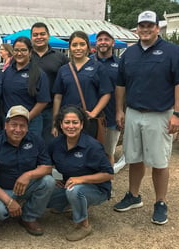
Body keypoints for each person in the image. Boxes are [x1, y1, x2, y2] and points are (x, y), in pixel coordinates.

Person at [113, 10, 179, 225]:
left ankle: (160, 202)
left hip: (160, 114)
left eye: (149, 25)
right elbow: (120, 84)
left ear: (157, 28)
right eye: (142, 26)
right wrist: (120, 110)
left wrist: (177, 114)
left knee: (159, 162)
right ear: (137, 28)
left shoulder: (172, 51)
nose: (145, 29)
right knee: (134, 158)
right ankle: (134, 195)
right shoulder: (129, 54)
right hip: (133, 112)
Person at [0, 105, 55, 236]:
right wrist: (9, 201)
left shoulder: (36, 140)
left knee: (48, 181)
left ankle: (29, 217)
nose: (18, 129)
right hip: (2, 189)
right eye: (14, 124)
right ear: (6, 125)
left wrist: (28, 175)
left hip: (27, 186)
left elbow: (47, 167)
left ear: (27, 127)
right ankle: (7, 209)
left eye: (22, 126)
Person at [47, 105, 114, 241]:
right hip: (69, 184)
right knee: (44, 194)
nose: (71, 126)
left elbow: (109, 174)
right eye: (67, 122)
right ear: (61, 124)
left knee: (74, 190)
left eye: (75, 122)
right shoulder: (55, 144)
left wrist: (81, 179)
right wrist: (50, 178)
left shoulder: (92, 146)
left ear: (82, 124)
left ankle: (83, 225)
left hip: (97, 189)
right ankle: (71, 205)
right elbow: (45, 164)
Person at [52, 31, 112, 139]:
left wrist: (94, 113)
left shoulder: (98, 67)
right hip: (67, 121)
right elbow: (58, 96)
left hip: (88, 121)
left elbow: (106, 93)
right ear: (70, 47)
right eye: (74, 45)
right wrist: (55, 122)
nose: (78, 48)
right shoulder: (63, 70)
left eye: (82, 44)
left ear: (88, 47)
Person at [2, 37, 51, 137]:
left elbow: (43, 101)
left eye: (23, 50)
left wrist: (26, 118)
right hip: (10, 122)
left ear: (30, 52)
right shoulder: (7, 71)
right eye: (16, 50)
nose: (19, 54)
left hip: (31, 122)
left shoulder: (39, 74)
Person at [30, 22, 69, 144]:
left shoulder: (60, 57)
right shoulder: (25, 55)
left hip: (52, 109)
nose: (39, 37)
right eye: (35, 35)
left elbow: (67, 82)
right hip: (29, 109)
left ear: (48, 36)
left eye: (42, 34)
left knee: (50, 145)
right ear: (31, 37)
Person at [93, 30, 125, 172]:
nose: (103, 42)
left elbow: (124, 89)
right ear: (96, 43)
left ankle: (107, 185)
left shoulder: (120, 64)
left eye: (106, 39)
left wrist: (120, 111)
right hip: (91, 116)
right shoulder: (88, 62)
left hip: (112, 115)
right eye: (100, 39)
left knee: (108, 153)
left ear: (113, 42)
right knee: (90, 152)